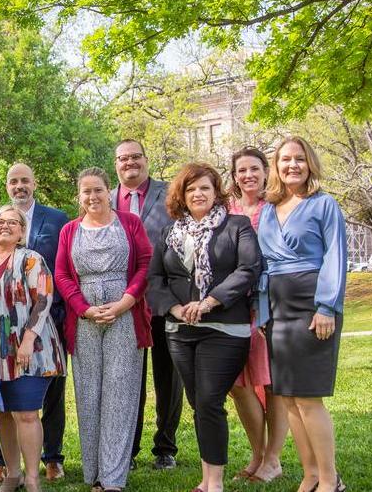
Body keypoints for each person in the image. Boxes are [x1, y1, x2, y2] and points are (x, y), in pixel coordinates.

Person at [147, 163, 261, 492]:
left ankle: (216, 484)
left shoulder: (236, 226)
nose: (198, 194)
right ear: (181, 196)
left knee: (210, 400)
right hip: (180, 331)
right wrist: (175, 308)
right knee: (200, 404)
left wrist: (210, 301)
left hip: (224, 328)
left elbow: (248, 269)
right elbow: (156, 279)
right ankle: (207, 478)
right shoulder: (170, 233)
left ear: (216, 192)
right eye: (191, 189)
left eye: (205, 188)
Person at [54, 167, 152, 492]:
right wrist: (83, 308)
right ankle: (93, 472)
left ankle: (112, 479)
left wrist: (125, 303)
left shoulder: (130, 223)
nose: (93, 197)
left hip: (124, 315)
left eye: (98, 190)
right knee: (89, 395)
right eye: (86, 192)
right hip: (85, 320)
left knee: (119, 395)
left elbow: (144, 264)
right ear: (79, 196)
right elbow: (62, 274)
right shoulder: (70, 230)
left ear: (109, 191)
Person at [258, 137, 347, 492]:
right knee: (290, 398)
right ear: (276, 166)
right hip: (278, 309)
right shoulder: (268, 207)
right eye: (284, 160)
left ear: (309, 163)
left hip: (312, 305)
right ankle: (309, 474)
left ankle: (330, 479)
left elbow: (335, 258)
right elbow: (263, 265)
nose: (292, 165)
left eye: (299, 159)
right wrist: (264, 314)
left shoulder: (324, 205)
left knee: (309, 397)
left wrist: (326, 306)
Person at [0, 163, 70, 485]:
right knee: (4, 413)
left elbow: (44, 298)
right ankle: (12, 474)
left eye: (13, 223)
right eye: (0, 222)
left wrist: (28, 339)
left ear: (22, 231)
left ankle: (32, 478)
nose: (6, 227)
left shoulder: (31, 258)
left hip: (28, 347)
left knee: (27, 412)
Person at [111, 139, 183, 471]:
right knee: (129, 378)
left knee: (168, 378)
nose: (130, 163)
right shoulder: (105, 199)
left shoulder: (170, 194)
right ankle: (130, 446)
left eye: (135, 157)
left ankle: (165, 447)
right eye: (123, 159)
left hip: (165, 300)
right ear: (116, 165)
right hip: (123, 303)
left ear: (146, 159)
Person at [226, 148, 288, 484]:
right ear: (234, 176)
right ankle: (257, 453)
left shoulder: (277, 209)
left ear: (266, 171)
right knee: (238, 383)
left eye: (254, 169)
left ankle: (273, 459)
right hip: (234, 306)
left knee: (273, 382)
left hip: (270, 304)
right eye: (241, 170)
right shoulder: (227, 211)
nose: (248, 175)